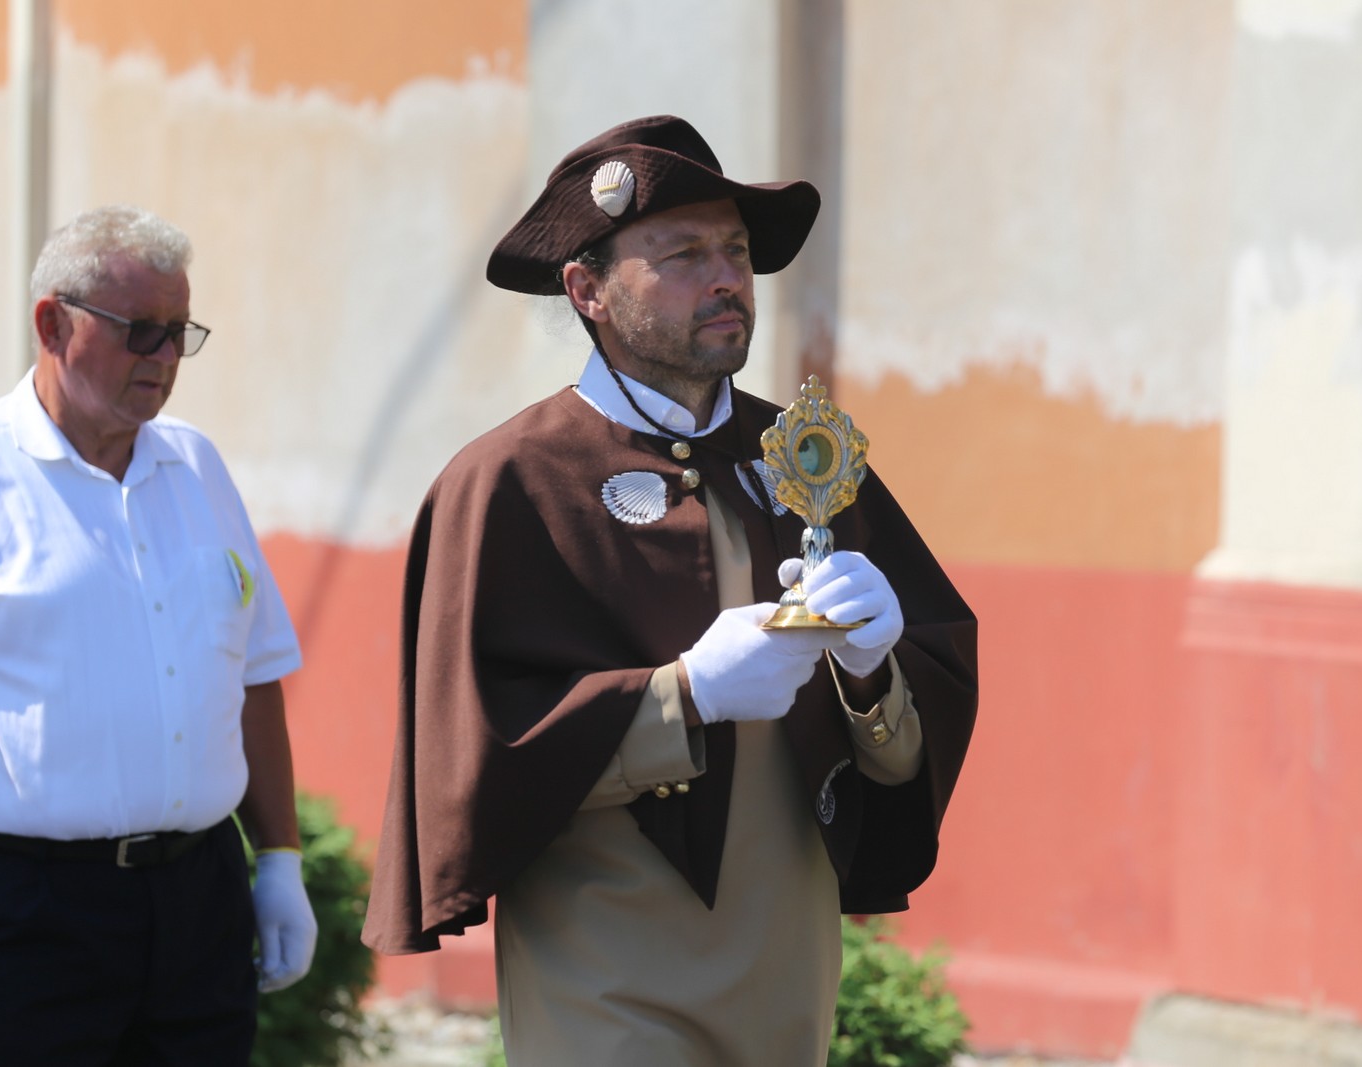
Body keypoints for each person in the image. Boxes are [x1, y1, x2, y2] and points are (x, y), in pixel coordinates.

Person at [363, 115, 977, 1065]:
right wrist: (679, 696)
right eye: (684, 254)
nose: (726, 276)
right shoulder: (513, 480)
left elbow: (902, 763)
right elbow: (473, 755)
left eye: (735, 250)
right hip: (605, 971)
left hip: (785, 970)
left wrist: (872, 674)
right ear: (589, 291)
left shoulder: (809, 456)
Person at [0, 205, 317, 1066]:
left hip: (198, 903)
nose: (164, 357)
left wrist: (280, 860)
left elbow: (252, 672)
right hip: (17, 911)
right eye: (140, 330)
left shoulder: (197, 464)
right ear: (52, 323)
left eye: (179, 333)